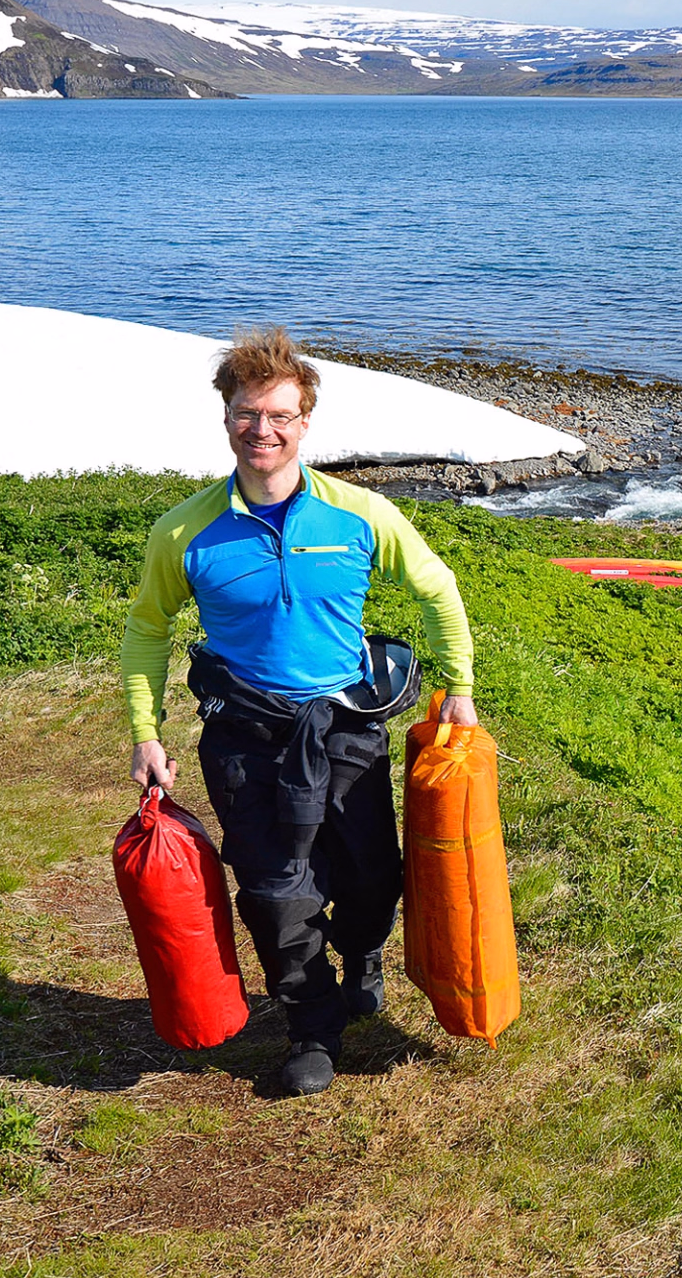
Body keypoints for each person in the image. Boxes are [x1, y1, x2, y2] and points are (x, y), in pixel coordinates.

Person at [120, 328, 478, 1097]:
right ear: (226, 419)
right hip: (245, 737)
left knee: (371, 878)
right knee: (278, 890)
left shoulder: (358, 514)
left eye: (280, 415)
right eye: (249, 414)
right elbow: (148, 628)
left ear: (305, 423)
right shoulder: (184, 530)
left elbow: (437, 588)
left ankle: (363, 954)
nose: (264, 431)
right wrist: (146, 735)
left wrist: (458, 686)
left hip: (347, 730)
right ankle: (312, 1025)